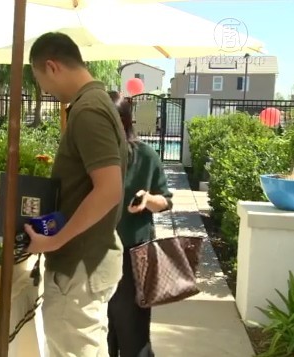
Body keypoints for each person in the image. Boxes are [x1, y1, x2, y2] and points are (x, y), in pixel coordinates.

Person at [23, 32, 128, 356]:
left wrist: (54, 241)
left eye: (43, 83)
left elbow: (109, 190)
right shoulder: (96, 103)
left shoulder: (87, 110)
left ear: (51, 66)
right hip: (87, 261)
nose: (47, 92)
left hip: (79, 264)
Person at [107, 96, 173, 357]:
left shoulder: (145, 155)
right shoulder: (91, 155)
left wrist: (147, 200)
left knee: (133, 331)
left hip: (133, 255)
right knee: (103, 330)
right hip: (96, 253)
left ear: (121, 120)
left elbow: (165, 201)